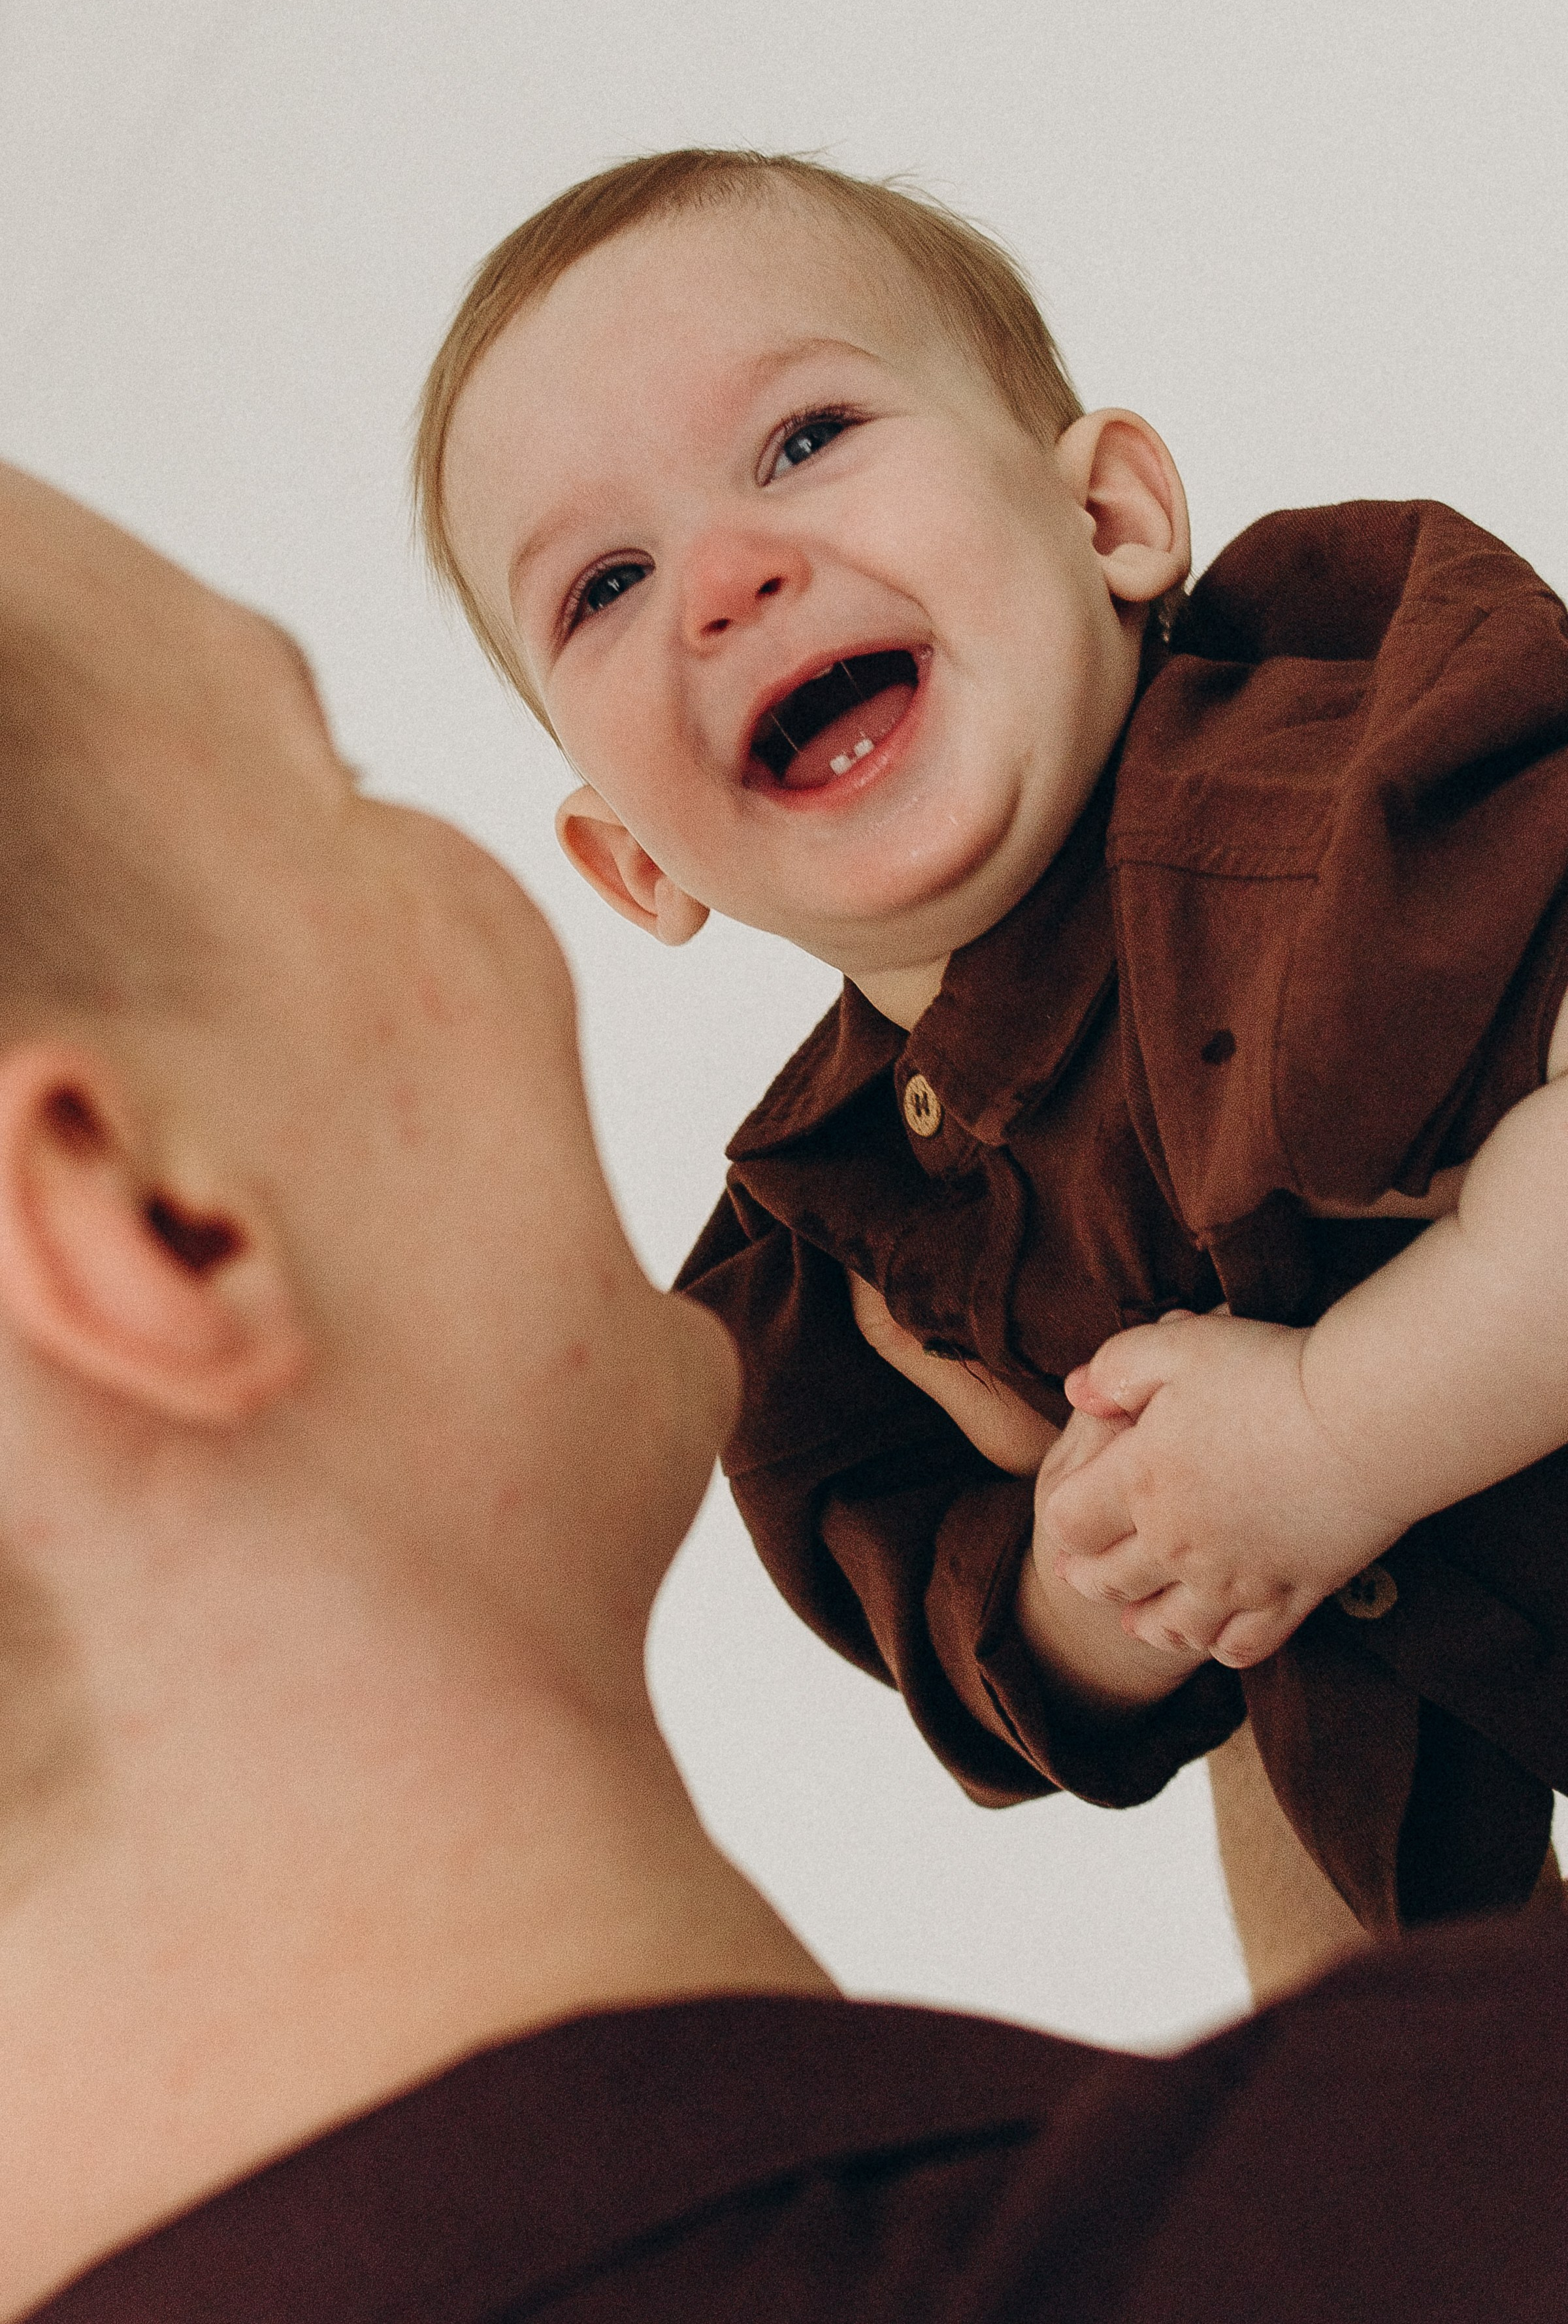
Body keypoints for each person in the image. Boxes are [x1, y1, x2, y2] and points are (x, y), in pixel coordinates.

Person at [5, 459, 1568, 2324]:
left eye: (819, 443)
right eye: (330, 778)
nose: (737, 582)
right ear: (153, 1222)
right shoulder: (1439, 2205)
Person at [414, 148, 1568, 1963]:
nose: (725, 577)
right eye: (608, 583)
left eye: (801, 441)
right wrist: (1103, 1570)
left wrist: (1335, 1435)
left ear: (1109, 518)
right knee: (1337, 2014)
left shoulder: (1342, 784)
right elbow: (977, 1655)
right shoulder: (823, 1251)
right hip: (1442, 1839)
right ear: (635, 862)